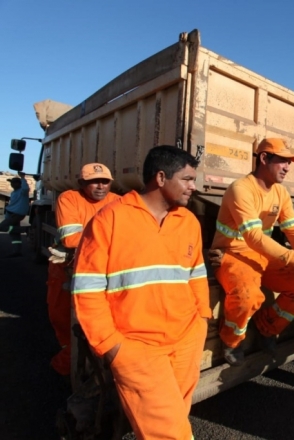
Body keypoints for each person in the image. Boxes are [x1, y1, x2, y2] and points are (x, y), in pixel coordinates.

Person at [71, 146, 211, 440]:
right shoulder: (110, 219)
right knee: (171, 433)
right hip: (137, 349)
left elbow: (197, 274)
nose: (193, 187)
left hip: (186, 340)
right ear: (161, 177)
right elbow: (87, 290)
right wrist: (113, 347)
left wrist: (202, 319)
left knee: (175, 416)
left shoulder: (188, 222)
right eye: (187, 179)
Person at [210, 138, 294, 366]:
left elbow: (293, 230)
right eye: (282, 161)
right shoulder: (241, 189)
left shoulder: (281, 192)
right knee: (248, 295)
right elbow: (253, 237)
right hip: (232, 253)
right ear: (264, 158)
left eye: (290, 162)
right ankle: (232, 340)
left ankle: (267, 327)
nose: (288, 167)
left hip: (261, 255)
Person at [46, 163, 121, 376]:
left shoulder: (117, 201)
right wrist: (113, 240)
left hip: (100, 269)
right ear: (81, 183)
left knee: (94, 320)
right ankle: (66, 366)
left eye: (105, 181)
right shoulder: (69, 198)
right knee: (62, 318)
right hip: (67, 268)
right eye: (93, 182)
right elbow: (70, 240)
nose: (100, 186)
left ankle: (76, 364)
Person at [0, 173, 30, 257]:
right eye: (11, 182)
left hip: (16, 214)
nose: (11, 184)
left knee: (2, 227)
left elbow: (26, 188)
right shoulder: (14, 192)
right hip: (10, 213)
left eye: (13, 182)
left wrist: (23, 178)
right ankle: (17, 251)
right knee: (14, 234)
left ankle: (25, 229)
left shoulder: (22, 191)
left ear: (19, 183)